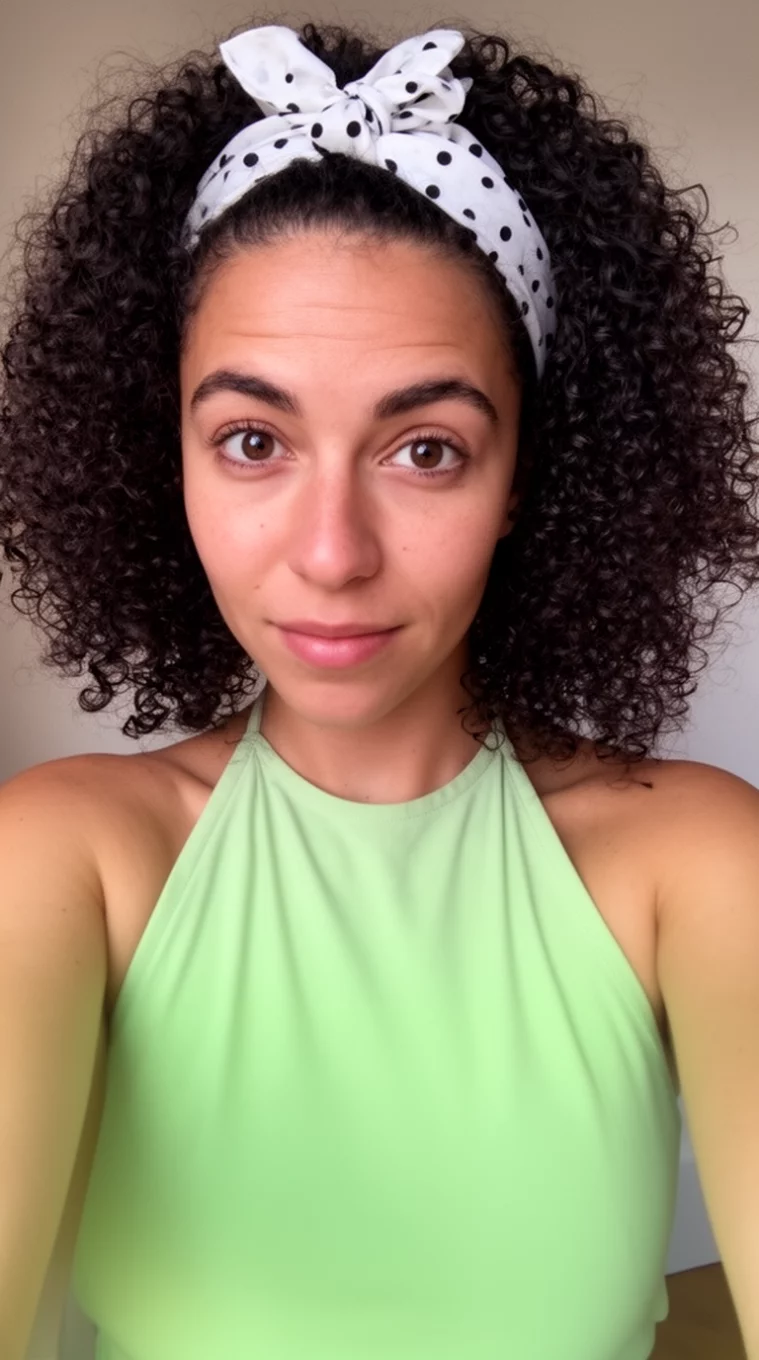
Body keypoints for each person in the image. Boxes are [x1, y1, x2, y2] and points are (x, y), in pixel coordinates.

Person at [1, 17, 758, 1360]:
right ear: (160, 456)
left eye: (425, 449)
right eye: (252, 440)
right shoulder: (67, 859)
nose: (332, 554)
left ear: (526, 477)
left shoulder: (693, 864)